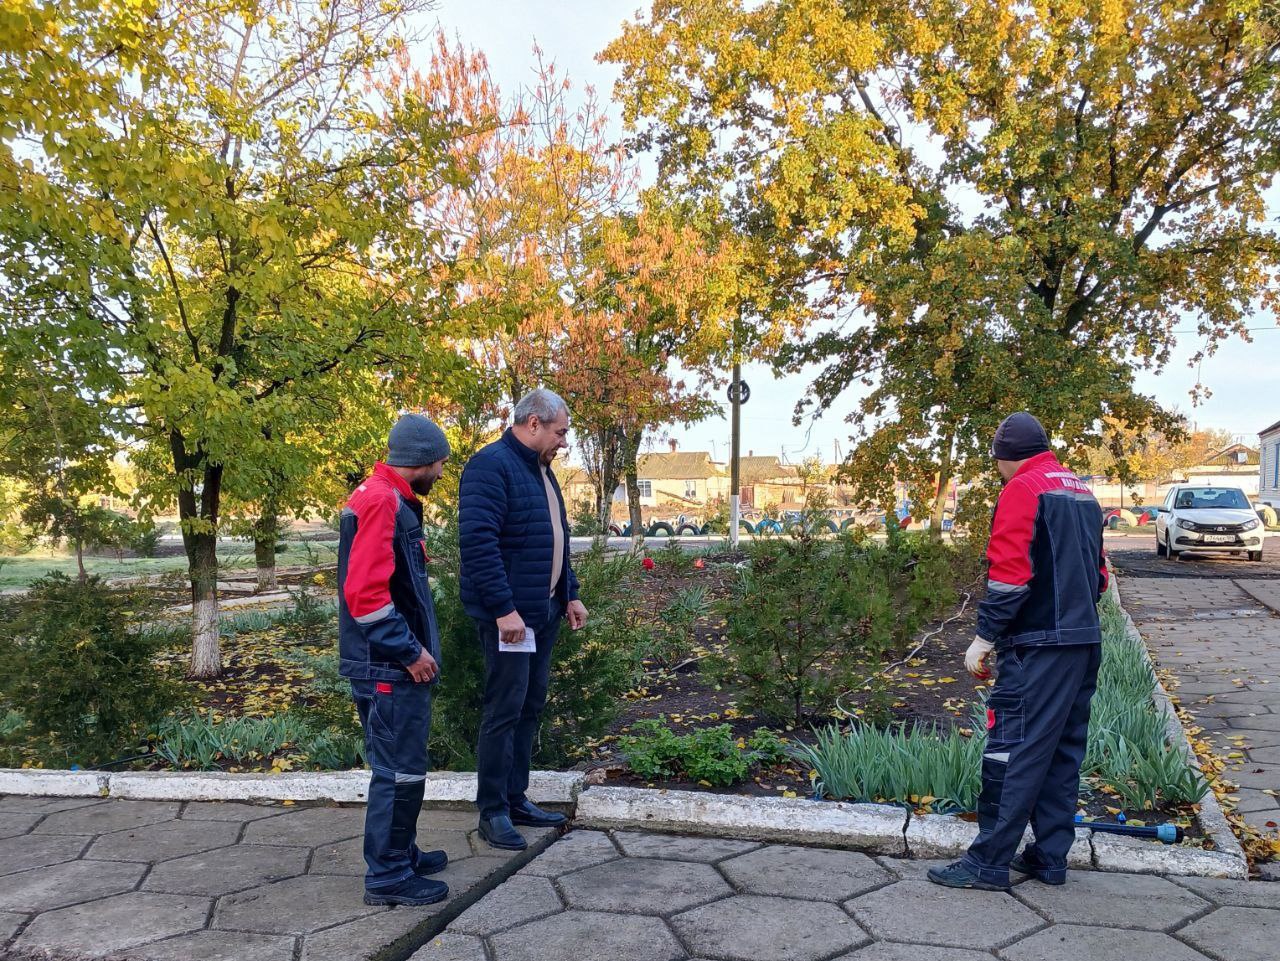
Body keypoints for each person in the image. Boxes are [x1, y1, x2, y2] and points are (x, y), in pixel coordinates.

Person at [928, 412, 1109, 892]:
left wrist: (984, 637)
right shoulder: (1082, 491)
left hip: (1037, 648)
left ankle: (988, 862)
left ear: (1004, 458)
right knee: (1063, 753)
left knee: (1013, 749)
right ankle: (1049, 859)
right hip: (1083, 641)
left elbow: (1009, 575)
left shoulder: (1022, 490)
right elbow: (1101, 577)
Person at [459, 387, 589, 851]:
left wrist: (569, 594)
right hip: (511, 621)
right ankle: (492, 810)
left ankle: (516, 797)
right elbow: (478, 545)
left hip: (543, 614)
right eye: (560, 432)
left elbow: (557, 539)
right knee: (503, 711)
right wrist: (503, 610)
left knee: (529, 707)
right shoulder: (490, 467)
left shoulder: (541, 471)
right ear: (533, 423)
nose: (563, 442)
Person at [337, 413, 451, 906]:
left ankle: (401, 852)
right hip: (388, 665)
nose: (443, 474)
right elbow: (365, 596)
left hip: (382, 662)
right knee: (398, 771)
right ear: (421, 459)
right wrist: (410, 652)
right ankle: (387, 877)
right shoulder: (384, 502)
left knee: (400, 766)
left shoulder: (385, 497)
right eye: (441, 463)